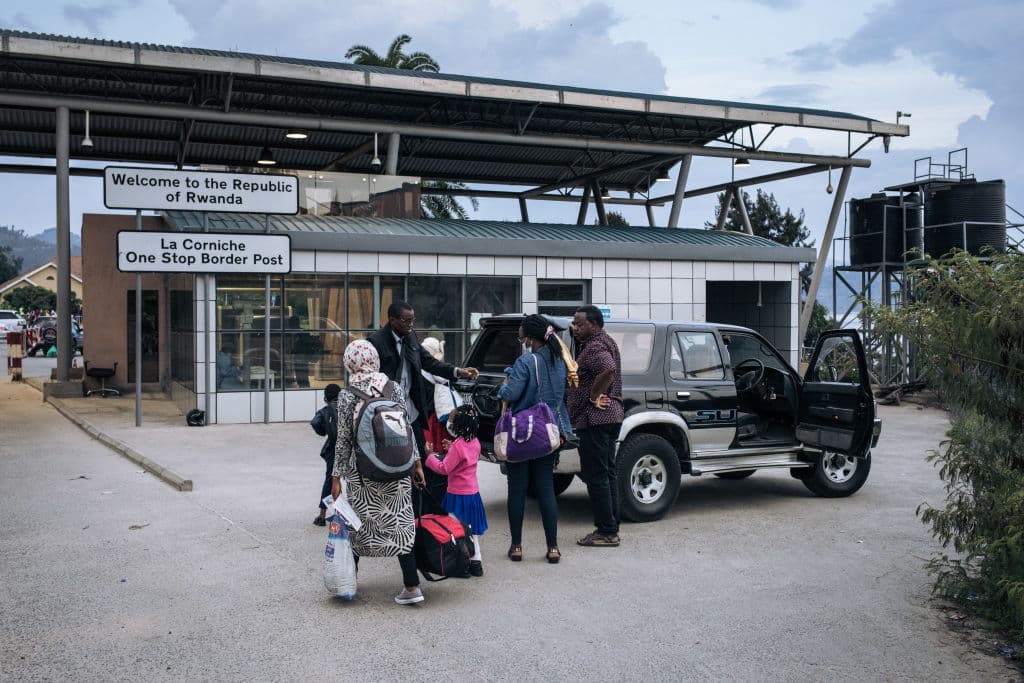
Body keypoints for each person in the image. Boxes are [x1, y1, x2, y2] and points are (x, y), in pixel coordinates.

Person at [331, 340, 427, 606]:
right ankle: (412, 586)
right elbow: (406, 427)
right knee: (399, 525)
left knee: (357, 525)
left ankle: (346, 584)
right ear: (374, 359)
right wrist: (417, 464)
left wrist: (336, 477)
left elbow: (343, 440)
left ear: (350, 362)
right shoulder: (392, 387)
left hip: (363, 474)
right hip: (398, 471)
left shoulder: (348, 394)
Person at [368, 302, 479, 515]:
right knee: (394, 462)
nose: (411, 324)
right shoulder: (376, 342)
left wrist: (459, 372)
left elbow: (431, 364)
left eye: (413, 320)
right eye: (406, 320)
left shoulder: (411, 338)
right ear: (392, 320)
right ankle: (394, 509)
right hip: (385, 415)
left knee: (424, 459)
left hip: (411, 412)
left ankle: (428, 511)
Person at [497, 313, 573, 564]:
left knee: (517, 490)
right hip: (549, 433)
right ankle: (553, 547)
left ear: (529, 337)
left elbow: (512, 392)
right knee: (546, 489)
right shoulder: (559, 361)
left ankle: (517, 546)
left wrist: (503, 385)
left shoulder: (526, 362)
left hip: (522, 433)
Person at [567, 305, 624, 548]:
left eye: (579, 323)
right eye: (574, 323)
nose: (575, 327)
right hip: (610, 417)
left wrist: (592, 396)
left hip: (595, 419)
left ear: (594, 324)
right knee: (607, 473)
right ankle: (611, 526)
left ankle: (606, 532)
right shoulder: (605, 340)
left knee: (597, 476)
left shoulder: (596, 346)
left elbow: (607, 369)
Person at [424, 404, 487, 577]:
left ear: (459, 425)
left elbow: (444, 468)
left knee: (458, 530)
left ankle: (463, 565)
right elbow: (463, 457)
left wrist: (430, 456)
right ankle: (477, 562)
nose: (449, 424)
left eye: (451, 421)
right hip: (473, 495)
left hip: (457, 496)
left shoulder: (458, 447)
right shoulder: (474, 442)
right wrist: (452, 447)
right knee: (472, 531)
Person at [420, 336, 461, 458]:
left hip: (426, 417)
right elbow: (446, 379)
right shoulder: (436, 372)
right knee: (442, 452)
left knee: (429, 451)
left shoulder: (418, 369)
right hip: (437, 417)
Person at [310, 383, 341, 527]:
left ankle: (322, 515)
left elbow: (315, 423)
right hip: (351, 449)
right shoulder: (348, 407)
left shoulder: (325, 411)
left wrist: (325, 431)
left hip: (334, 449)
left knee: (330, 480)